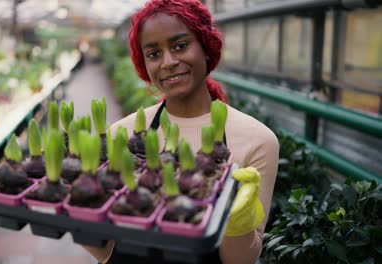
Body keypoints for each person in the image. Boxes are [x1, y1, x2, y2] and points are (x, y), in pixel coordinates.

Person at [82, 0, 279, 263]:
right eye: (153, 54)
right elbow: (106, 250)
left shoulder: (257, 140)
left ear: (206, 48)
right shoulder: (122, 134)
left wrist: (238, 220)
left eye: (180, 46)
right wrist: (78, 213)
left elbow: (240, 260)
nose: (168, 62)